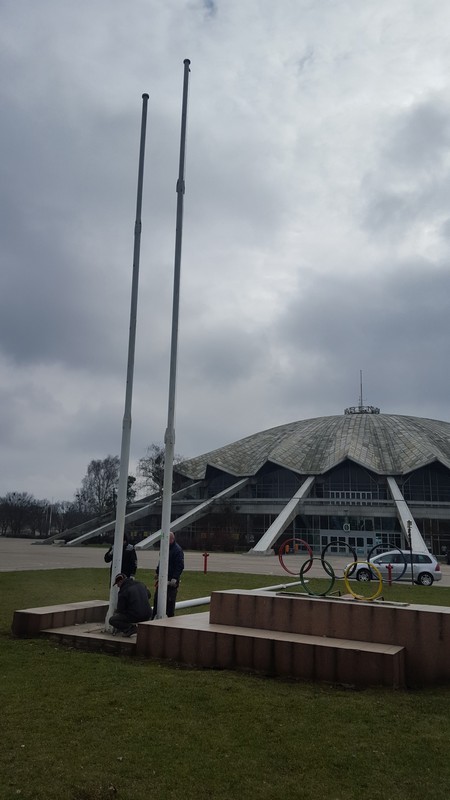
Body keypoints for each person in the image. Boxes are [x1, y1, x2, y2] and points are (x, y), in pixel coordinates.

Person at [152, 531, 184, 619]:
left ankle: (170, 620)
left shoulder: (177, 550)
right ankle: (154, 617)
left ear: (172, 539)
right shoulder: (164, 548)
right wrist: (158, 572)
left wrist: (175, 578)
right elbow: (161, 561)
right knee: (157, 600)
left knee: (169, 602)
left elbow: (180, 566)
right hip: (162, 580)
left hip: (171, 581)